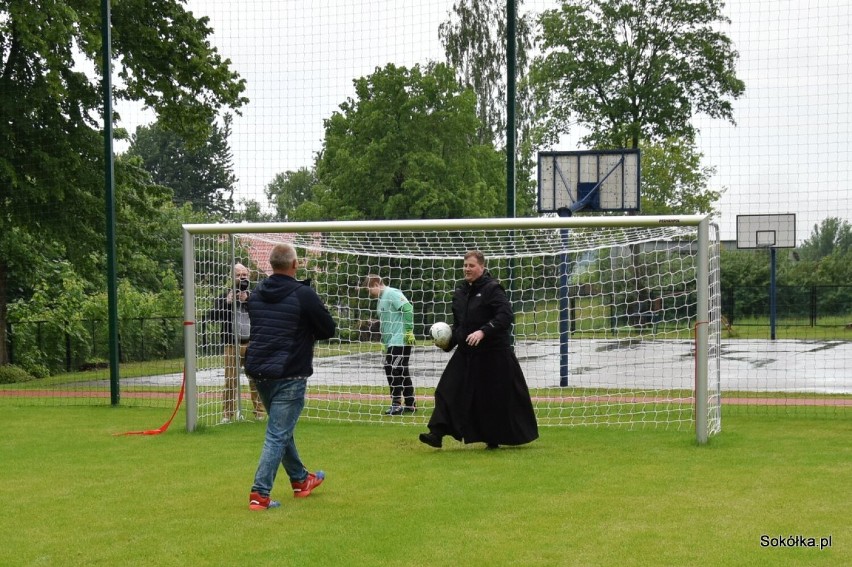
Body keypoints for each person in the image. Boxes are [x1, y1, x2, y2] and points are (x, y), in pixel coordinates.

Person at [245, 243, 337, 510]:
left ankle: (300, 480)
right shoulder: (303, 294)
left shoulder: (256, 292)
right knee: (277, 434)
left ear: (270, 265)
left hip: (258, 369)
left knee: (281, 430)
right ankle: (259, 493)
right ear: (295, 265)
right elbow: (328, 328)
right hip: (289, 372)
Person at [419, 250, 538, 450]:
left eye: (471, 265)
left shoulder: (493, 289)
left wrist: (483, 332)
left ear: (482, 267)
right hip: (467, 353)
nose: (467, 269)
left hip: (493, 353)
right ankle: (436, 433)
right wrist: (447, 343)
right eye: (465, 265)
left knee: (491, 397)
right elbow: (459, 326)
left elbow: (505, 316)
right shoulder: (460, 293)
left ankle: (493, 439)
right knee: (447, 389)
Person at [207, 263, 264, 423]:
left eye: (244, 274)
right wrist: (227, 302)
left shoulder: (255, 295)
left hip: (251, 343)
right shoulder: (224, 296)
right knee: (230, 380)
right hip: (231, 344)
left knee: (255, 379)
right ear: (232, 277)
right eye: (238, 275)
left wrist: (248, 301)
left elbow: (262, 314)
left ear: (249, 276)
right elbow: (212, 316)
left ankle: (259, 413)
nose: (242, 278)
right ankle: (227, 415)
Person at [363, 275, 417, 415]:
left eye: (369, 289)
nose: (369, 293)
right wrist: (384, 343)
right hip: (391, 342)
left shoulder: (392, 293)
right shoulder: (380, 300)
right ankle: (411, 404)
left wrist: (408, 331)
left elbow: (408, 308)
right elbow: (386, 323)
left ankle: (396, 404)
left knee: (393, 368)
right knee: (400, 370)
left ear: (375, 284)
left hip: (401, 340)